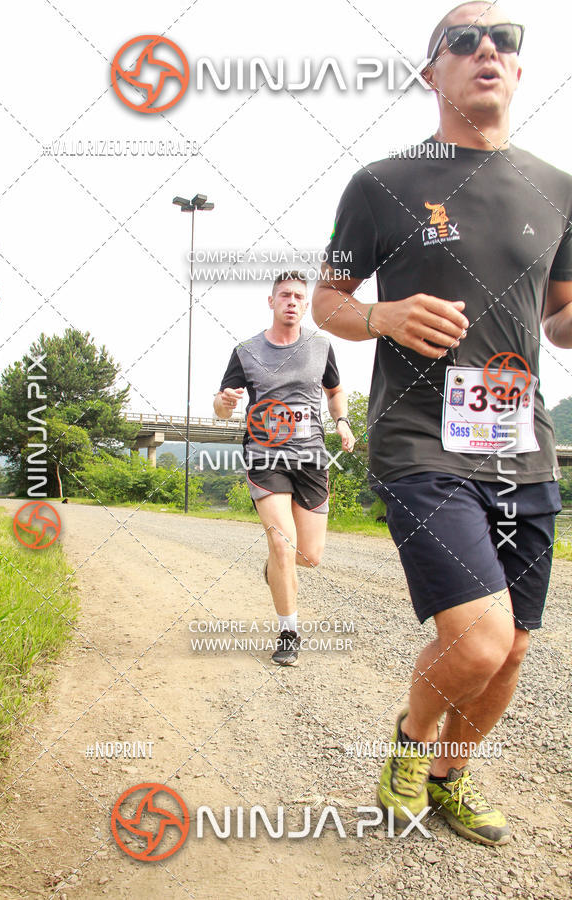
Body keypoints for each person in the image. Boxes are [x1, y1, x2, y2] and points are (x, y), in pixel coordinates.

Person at [312, 2, 572, 845]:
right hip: (420, 437)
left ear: (521, 68)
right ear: (433, 72)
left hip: (521, 441)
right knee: (481, 636)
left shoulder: (558, 189)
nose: (486, 50)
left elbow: (561, 317)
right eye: (463, 40)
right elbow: (328, 303)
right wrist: (382, 319)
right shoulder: (384, 183)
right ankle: (410, 746)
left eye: (505, 40)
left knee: (516, 649)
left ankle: (451, 778)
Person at [214, 271, 354, 666]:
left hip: (311, 457)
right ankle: (289, 632)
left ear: (306, 305)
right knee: (282, 543)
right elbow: (221, 406)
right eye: (284, 295)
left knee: (307, 556)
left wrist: (341, 420)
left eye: (298, 296)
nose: (291, 301)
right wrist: (224, 402)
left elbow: (335, 391)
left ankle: (277, 568)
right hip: (265, 455)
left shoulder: (322, 346)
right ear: (271, 302)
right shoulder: (246, 351)